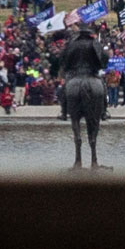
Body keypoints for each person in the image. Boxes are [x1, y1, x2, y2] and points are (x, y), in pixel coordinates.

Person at [49, 32, 109, 167]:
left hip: (75, 76)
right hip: (91, 75)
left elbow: (62, 60)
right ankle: (104, 111)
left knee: (64, 90)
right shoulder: (95, 43)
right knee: (103, 88)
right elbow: (104, 58)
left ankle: (64, 112)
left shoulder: (72, 44)